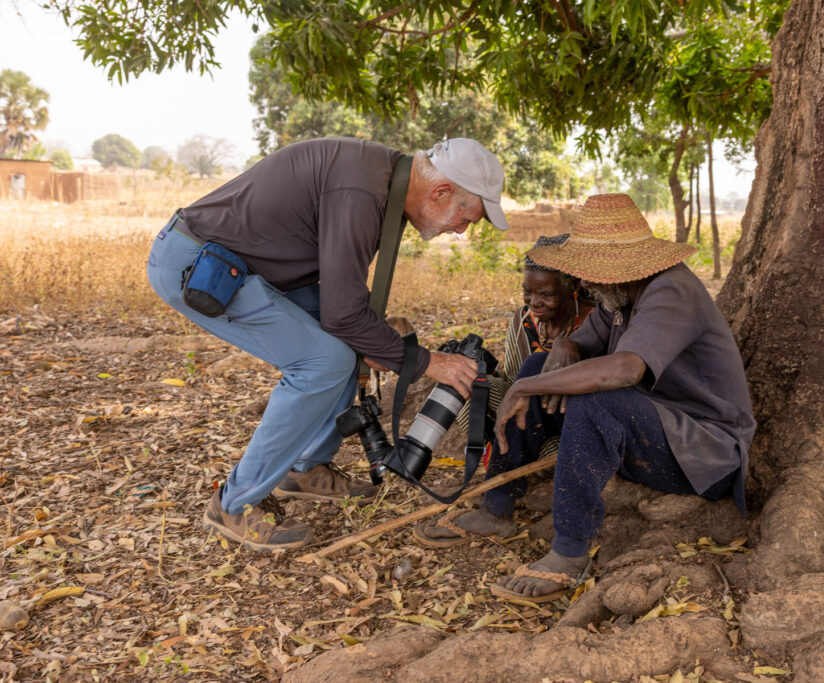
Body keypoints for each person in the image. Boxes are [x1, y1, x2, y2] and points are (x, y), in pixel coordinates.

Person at [146, 137, 509, 552]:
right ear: (441, 191)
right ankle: (234, 503)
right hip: (199, 264)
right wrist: (427, 362)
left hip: (241, 267)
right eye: (467, 217)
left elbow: (348, 306)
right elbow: (342, 314)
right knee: (323, 361)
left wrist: (382, 345)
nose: (461, 230)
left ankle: (305, 469)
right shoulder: (362, 191)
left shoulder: (382, 180)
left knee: (348, 344)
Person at [414, 193, 755, 603]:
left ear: (620, 268)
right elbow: (580, 344)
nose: (585, 285)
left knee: (591, 399)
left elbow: (625, 370)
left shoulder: (671, 291)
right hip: (653, 432)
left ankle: (570, 552)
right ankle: (497, 507)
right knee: (537, 369)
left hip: (703, 455)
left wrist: (525, 389)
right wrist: (567, 347)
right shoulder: (619, 295)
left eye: (591, 275)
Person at [448, 233, 595, 453]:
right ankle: (502, 448)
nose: (534, 302)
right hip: (522, 408)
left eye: (546, 294)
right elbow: (511, 381)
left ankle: (523, 454)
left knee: (560, 449)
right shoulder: (523, 320)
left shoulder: (595, 322)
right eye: (527, 291)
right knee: (464, 386)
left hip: (566, 418)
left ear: (573, 285)